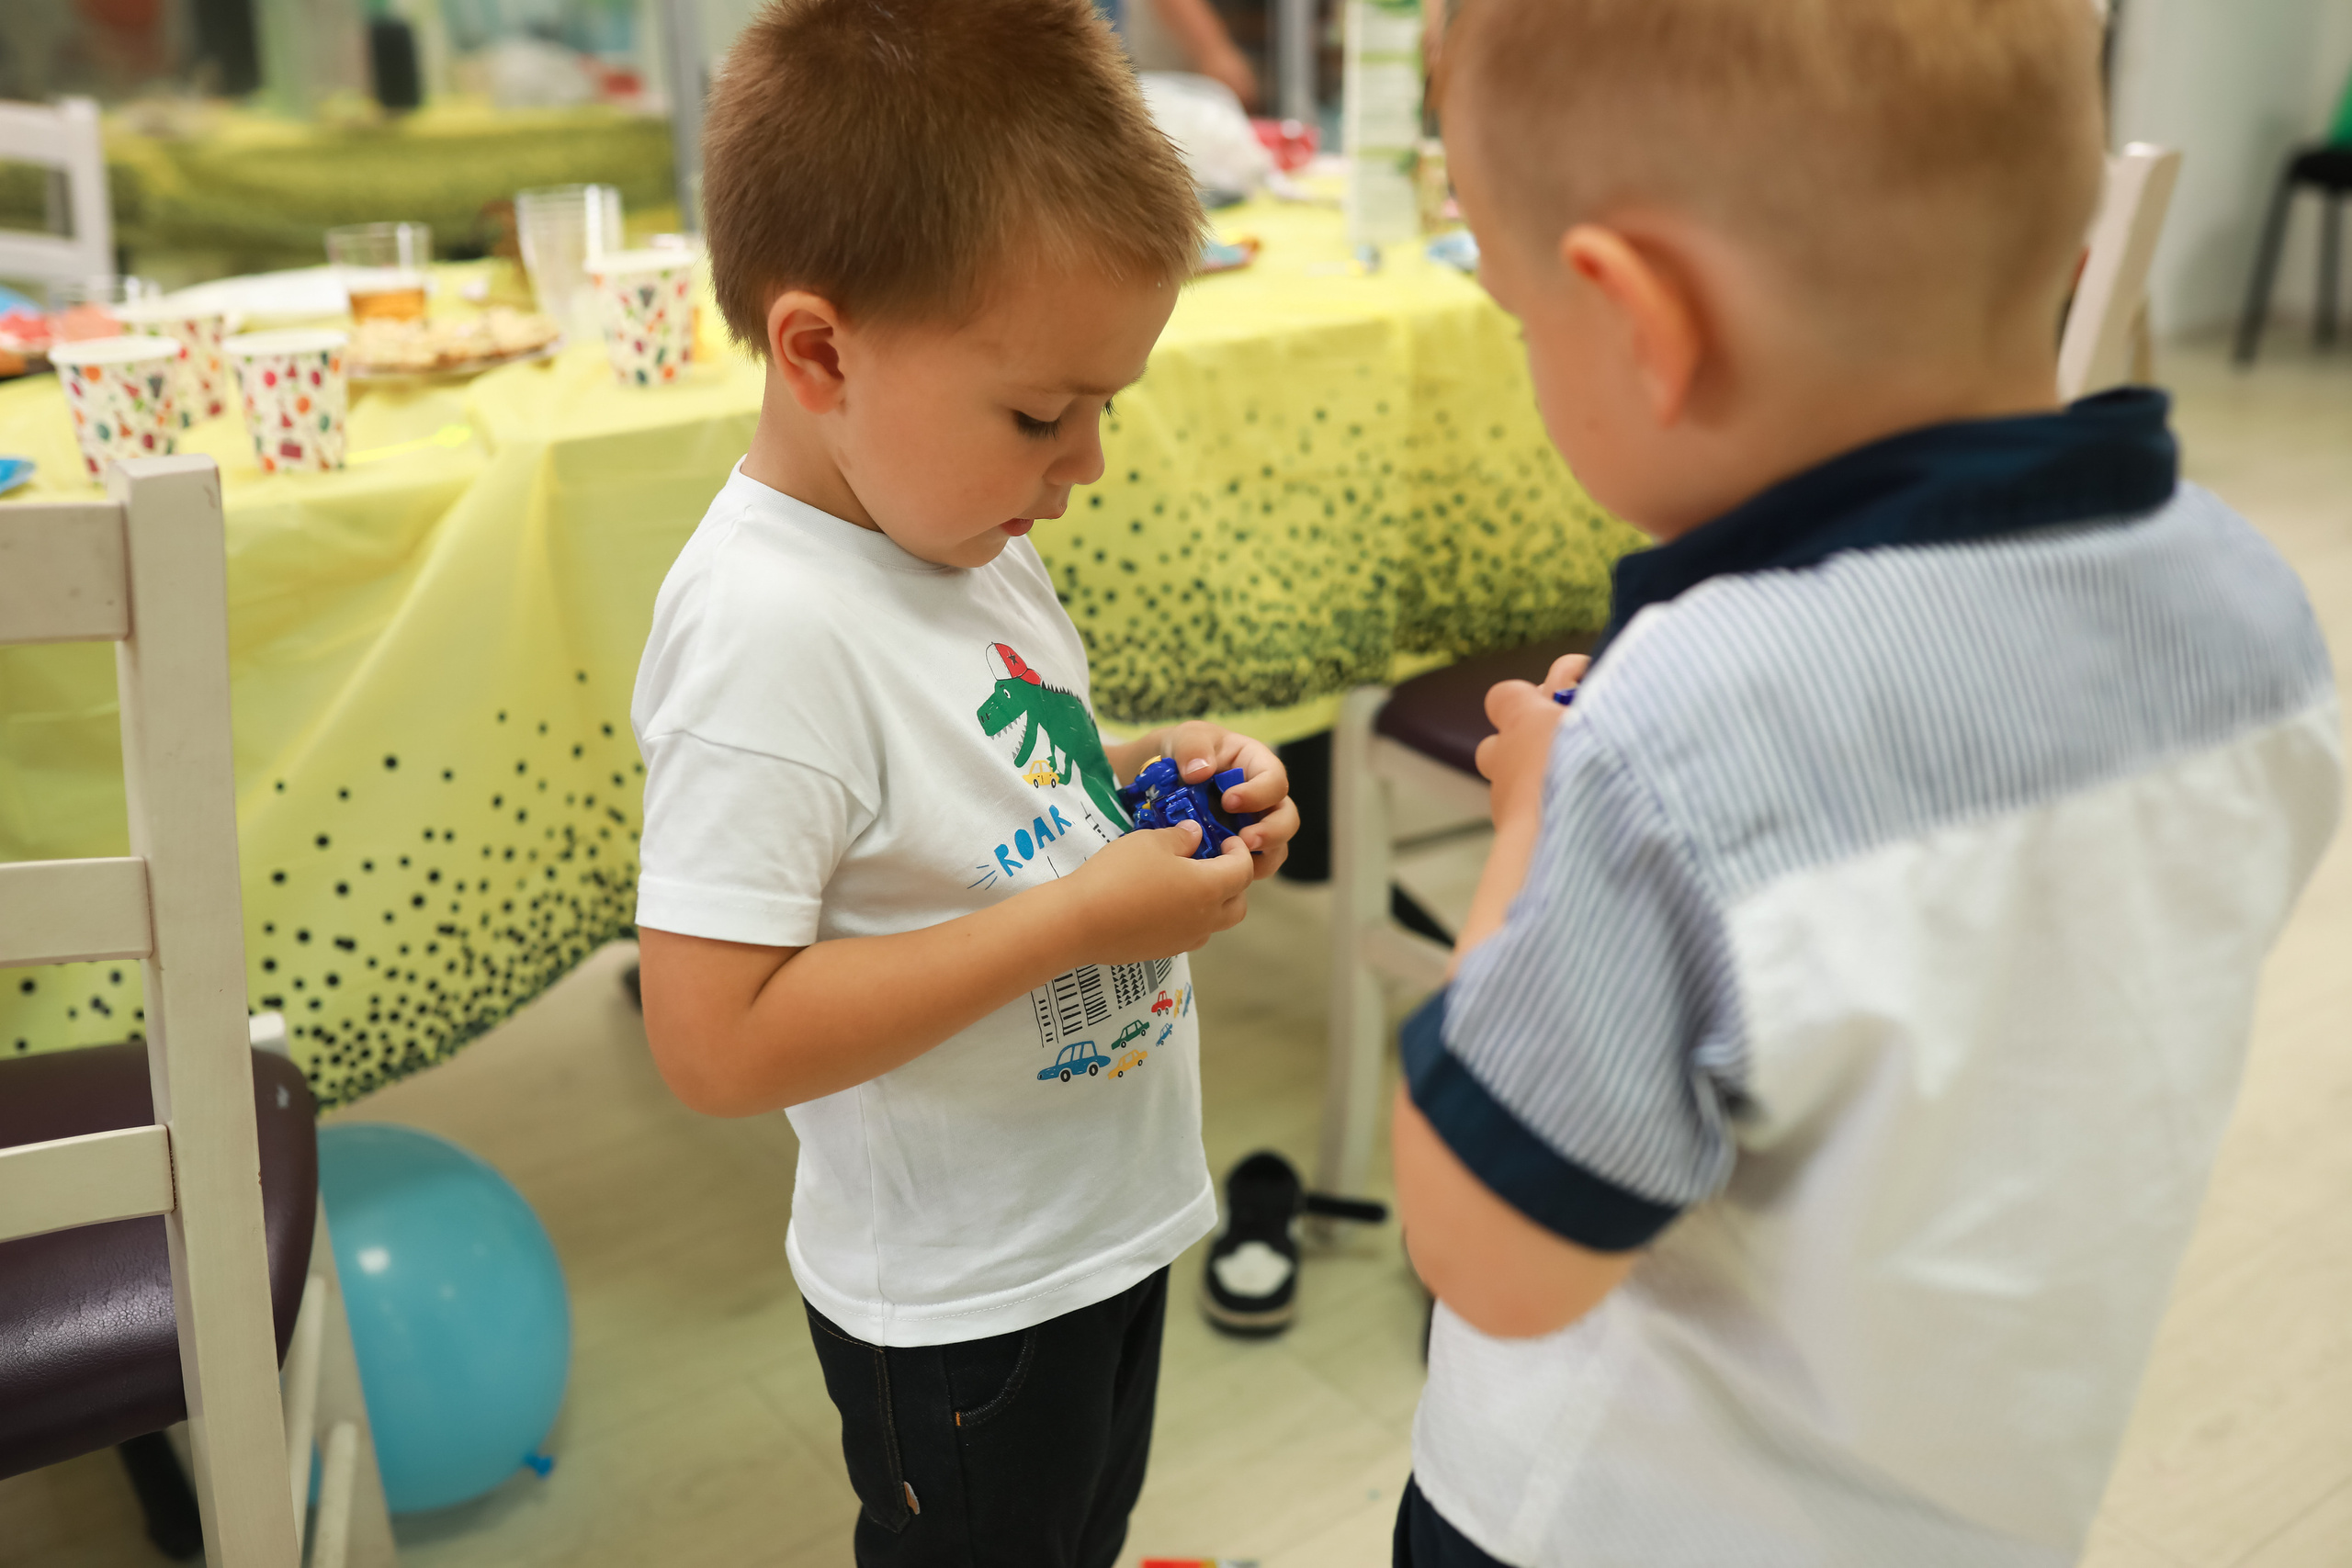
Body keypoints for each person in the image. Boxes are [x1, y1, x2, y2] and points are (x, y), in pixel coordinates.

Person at [1388, 1, 2343, 1564]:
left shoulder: (1684, 732)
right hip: (1991, 1503)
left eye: (1515, 317)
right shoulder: (2255, 622)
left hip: (1599, 1522)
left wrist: (1534, 832)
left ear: (1641, 322)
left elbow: (1492, 1256)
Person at [627, 2, 1299, 1562]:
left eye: (1104, 410)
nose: (1088, 467)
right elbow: (712, 1043)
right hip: (962, 1301)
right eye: (1041, 414)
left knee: (1080, 1527)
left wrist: (1147, 775)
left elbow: (975, 781)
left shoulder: (959, 530)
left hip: (1097, 1223)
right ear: (819, 350)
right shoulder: (763, 633)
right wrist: (1074, 925)